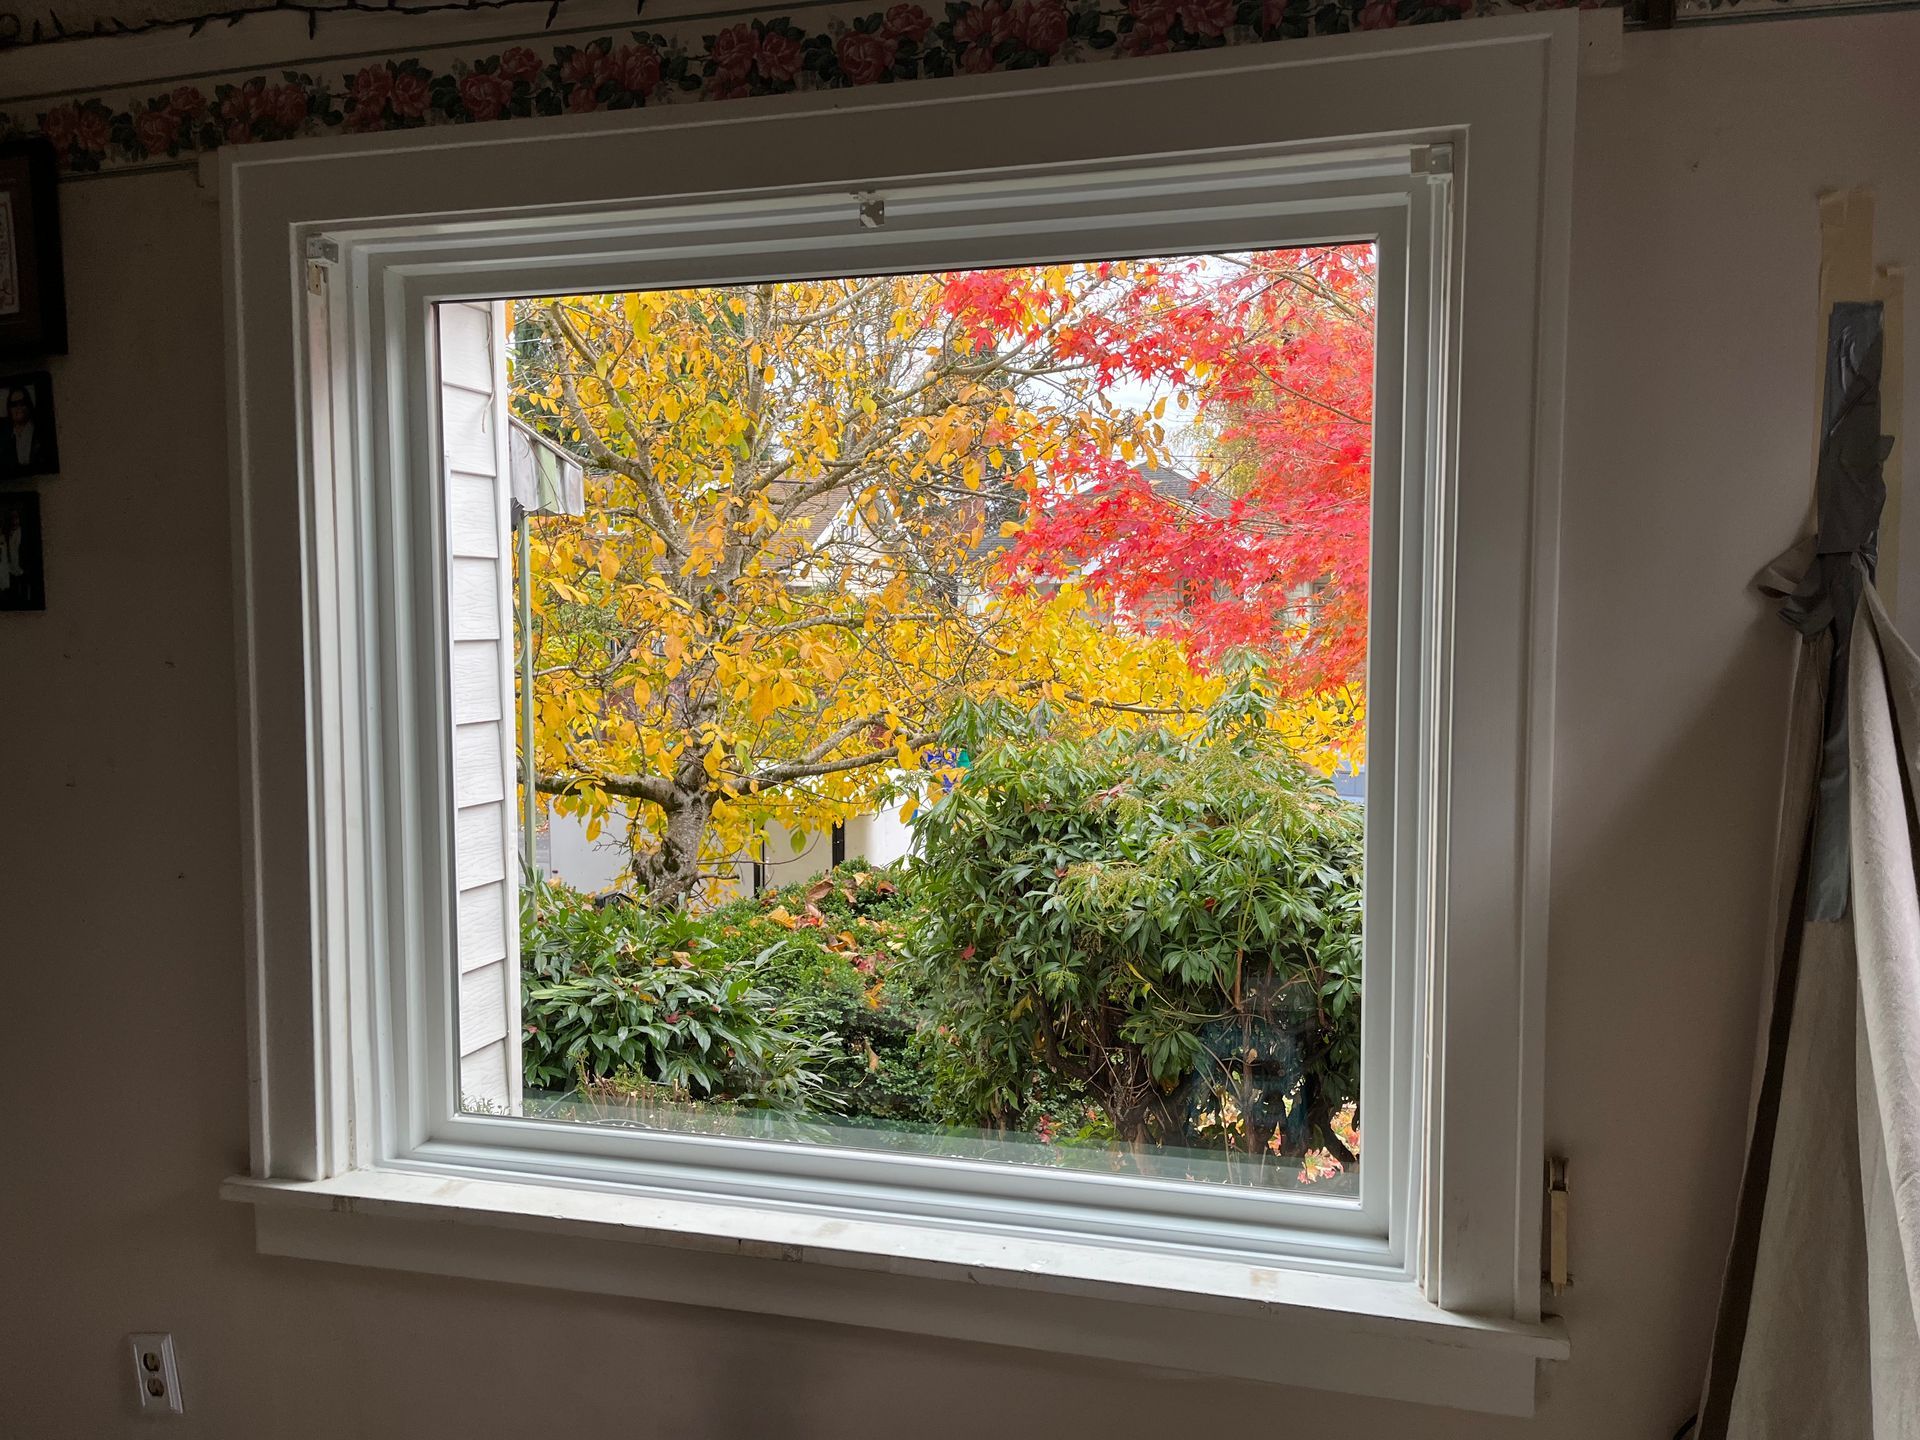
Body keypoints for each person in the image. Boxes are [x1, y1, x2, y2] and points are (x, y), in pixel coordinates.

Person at [0, 385, 54, 477]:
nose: (19, 407)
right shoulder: (5, 437)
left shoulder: (41, 433)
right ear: (9, 409)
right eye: (14, 404)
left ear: (28, 404)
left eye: (22, 403)